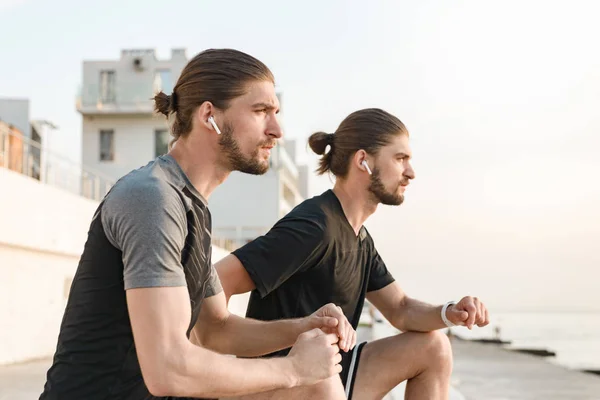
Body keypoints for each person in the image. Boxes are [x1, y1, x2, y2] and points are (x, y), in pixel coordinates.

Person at [40, 48, 354, 400]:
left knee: (319, 385)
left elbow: (214, 329)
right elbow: (167, 367)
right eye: (261, 111)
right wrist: (293, 369)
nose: (277, 129)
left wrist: (306, 326)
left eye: (275, 113)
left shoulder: (192, 207)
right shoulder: (151, 198)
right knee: (311, 384)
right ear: (209, 116)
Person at [215, 108, 491, 400]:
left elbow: (400, 309)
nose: (410, 172)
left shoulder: (359, 238)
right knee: (324, 379)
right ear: (364, 161)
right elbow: (217, 281)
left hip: (332, 373)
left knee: (434, 347)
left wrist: (450, 312)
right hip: (281, 381)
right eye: (400, 159)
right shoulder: (314, 226)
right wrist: (222, 366)